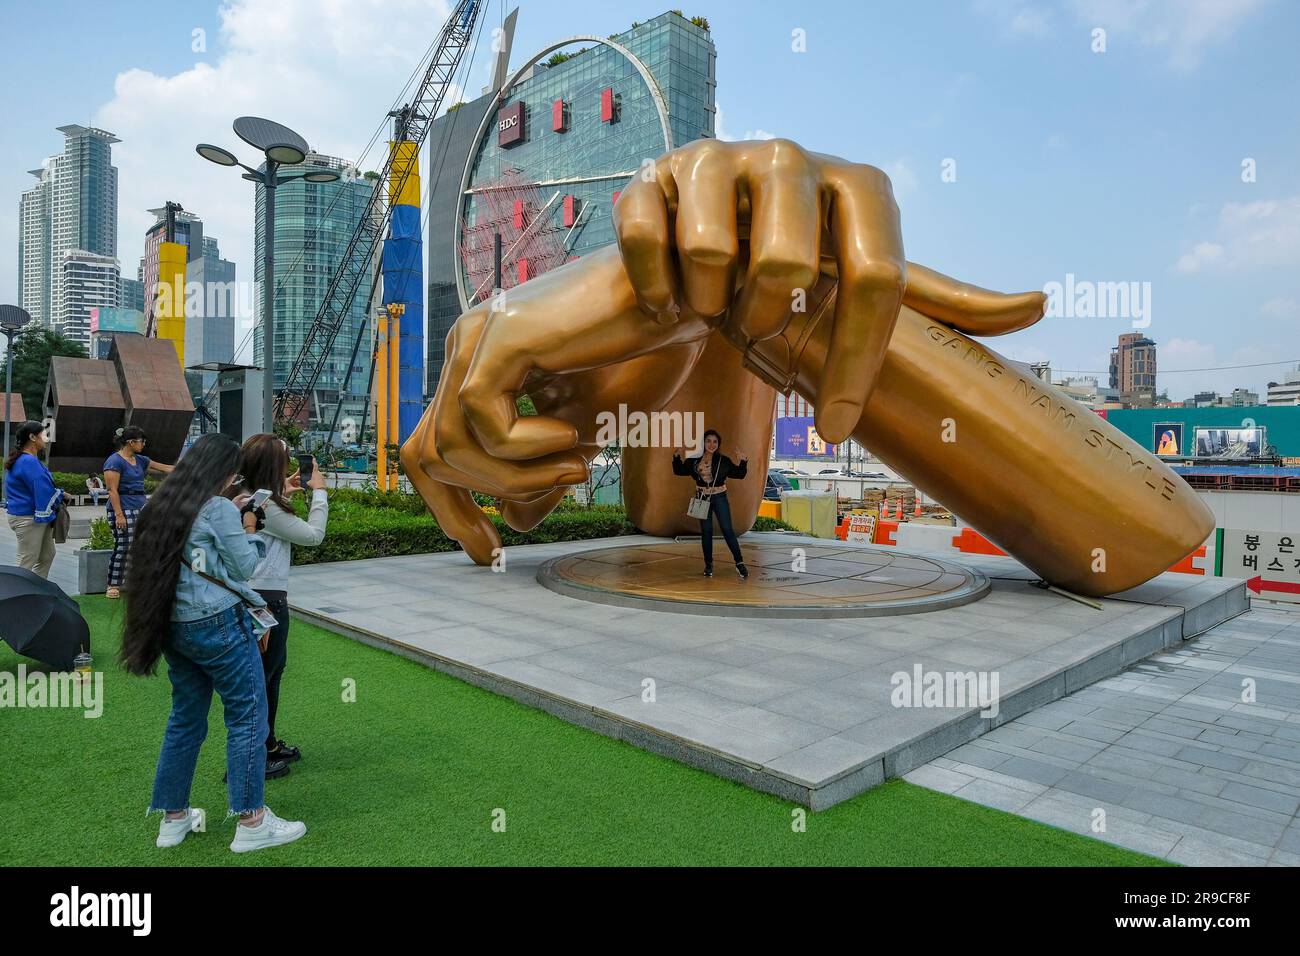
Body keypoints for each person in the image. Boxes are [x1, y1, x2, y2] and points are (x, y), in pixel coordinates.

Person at [119, 433, 307, 854]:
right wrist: (250, 528)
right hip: (218, 624)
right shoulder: (219, 507)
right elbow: (243, 568)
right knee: (247, 716)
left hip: (173, 627)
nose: (231, 479)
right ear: (218, 471)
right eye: (231, 472)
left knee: (185, 720)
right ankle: (252, 821)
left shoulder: (160, 505)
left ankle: (173, 818)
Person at [236, 434, 329, 772]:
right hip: (267, 601)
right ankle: (256, 754)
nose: (291, 467)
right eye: (284, 460)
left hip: (257, 597)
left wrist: (281, 493)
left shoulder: (248, 497)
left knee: (268, 674)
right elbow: (313, 536)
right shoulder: (266, 506)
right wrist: (319, 492)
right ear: (272, 465)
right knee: (265, 676)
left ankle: (268, 743)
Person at [103, 425, 175, 599]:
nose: (143, 444)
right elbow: (112, 490)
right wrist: (119, 514)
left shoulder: (140, 460)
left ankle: (135, 581)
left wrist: (189, 468)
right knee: (123, 545)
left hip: (141, 506)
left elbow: (164, 468)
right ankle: (113, 584)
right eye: (141, 441)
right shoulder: (114, 461)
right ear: (131, 442)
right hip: (123, 507)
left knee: (143, 545)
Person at [672, 429, 750, 579]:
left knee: (727, 530)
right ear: (704, 443)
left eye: (715, 441)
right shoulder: (695, 460)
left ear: (718, 444)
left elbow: (739, 474)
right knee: (706, 532)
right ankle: (708, 565)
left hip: (719, 496)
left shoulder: (723, 461)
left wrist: (743, 460)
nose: (711, 444)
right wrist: (676, 456)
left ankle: (739, 563)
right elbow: (679, 470)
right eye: (708, 441)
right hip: (702, 497)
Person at [4, 421, 63, 579]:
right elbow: (42, 489)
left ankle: (36, 592)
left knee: (46, 556)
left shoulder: (25, 460)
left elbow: (41, 486)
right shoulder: (28, 461)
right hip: (27, 517)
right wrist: (60, 495)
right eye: (43, 434)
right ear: (32, 437)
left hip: (30, 515)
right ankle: (14, 595)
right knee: (26, 559)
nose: (46, 438)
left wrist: (59, 493)